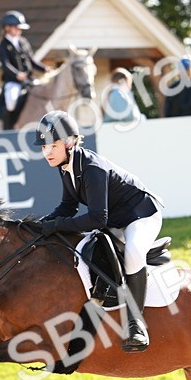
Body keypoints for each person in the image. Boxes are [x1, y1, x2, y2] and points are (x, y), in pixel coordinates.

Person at [35, 110, 164, 353]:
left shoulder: (92, 169)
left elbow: (96, 218)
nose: (47, 153)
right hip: (115, 220)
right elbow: (68, 206)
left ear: (70, 142)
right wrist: (41, 225)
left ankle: (136, 324)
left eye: (52, 146)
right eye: (44, 148)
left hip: (140, 215)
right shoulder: (66, 165)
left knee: (134, 252)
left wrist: (57, 225)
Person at [0, 10, 47, 130]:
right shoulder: (3, 45)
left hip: (28, 80)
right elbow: (6, 65)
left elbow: (32, 61)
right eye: (17, 28)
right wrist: (16, 75)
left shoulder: (23, 42)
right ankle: (9, 126)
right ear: (8, 28)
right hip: (13, 82)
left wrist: (44, 68)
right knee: (11, 102)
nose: (20, 30)